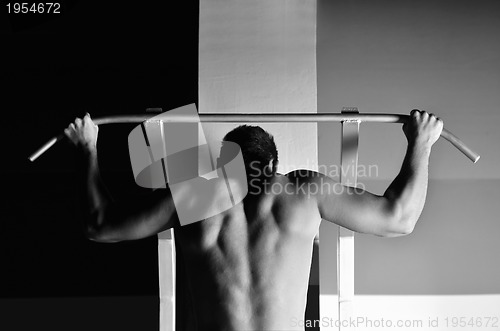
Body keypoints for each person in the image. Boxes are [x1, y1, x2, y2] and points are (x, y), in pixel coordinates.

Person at [65, 109, 443, 331]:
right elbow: (401, 217)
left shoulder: (196, 194)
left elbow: (99, 226)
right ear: (274, 165)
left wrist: (87, 147)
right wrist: (420, 142)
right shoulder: (304, 190)